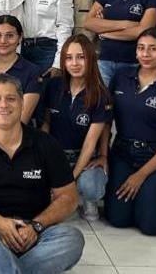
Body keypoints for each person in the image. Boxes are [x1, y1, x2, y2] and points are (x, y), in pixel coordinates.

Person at [0, 73, 86, 274]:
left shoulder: (46, 144)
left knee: (72, 237)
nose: (3, 105)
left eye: (11, 98)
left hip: (36, 233)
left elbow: (69, 197)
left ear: (22, 103)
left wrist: (36, 226)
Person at [104, 29, 156, 235]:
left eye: (153, 49)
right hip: (123, 152)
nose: (145, 54)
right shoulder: (122, 76)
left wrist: (141, 175)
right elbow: (106, 121)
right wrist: (103, 155)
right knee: (118, 219)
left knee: (151, 227)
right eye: (141, 48)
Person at [40, 35, 111, 221]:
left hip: (85, 156)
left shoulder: (100, 94)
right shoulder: (54, 86)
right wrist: (42, 156)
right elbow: (46, 124)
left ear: (90, 59)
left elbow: (90, 143)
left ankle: (86, 197)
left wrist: (71, 178)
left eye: (81, 57)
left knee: (91, 186)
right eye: (69, 58)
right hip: (56, 154)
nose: (74, 63)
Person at [0, 15, 45, 129]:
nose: (3, 41)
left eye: (10, 36)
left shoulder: (32, 71)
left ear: (20, 38)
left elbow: (23, 117)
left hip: (17, 138)